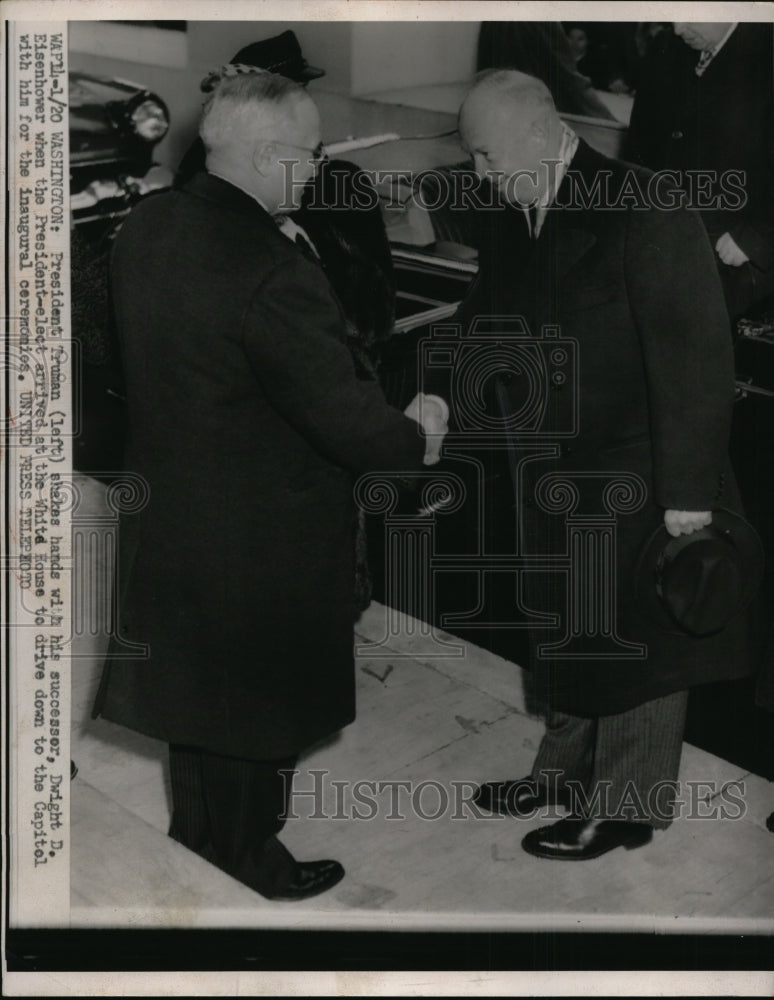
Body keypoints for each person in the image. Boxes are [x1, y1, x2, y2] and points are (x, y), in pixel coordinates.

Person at [92, 71, 448, 900]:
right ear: (269, 157)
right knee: (257, 707)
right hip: (264, 530)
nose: (320, 167)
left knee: (203, 706)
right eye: (314, 152)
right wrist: (416, 438)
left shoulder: (149, 225)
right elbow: (347, 423)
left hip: (175, 509)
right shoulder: (271, 270)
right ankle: (250, 857)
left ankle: (201, 837)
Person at [425, 69, 755, 860]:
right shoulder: (514, 204)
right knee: (568, 624)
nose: (478, 175)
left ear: (541, 136)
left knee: (637, 637)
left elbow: (695, 358)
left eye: (488, 156)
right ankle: (565, 771)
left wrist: (687, 495)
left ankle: (627, 804)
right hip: (548, 465)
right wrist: (437, 394)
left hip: (640, 467)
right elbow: (483, 312)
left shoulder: (645, 204)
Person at [626, 21, 774, 321]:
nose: (679, 28)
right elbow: (639, 148)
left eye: (689, 13)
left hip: (738, 253)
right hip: (663, 240)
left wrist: (760, 236)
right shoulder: (666, 48)